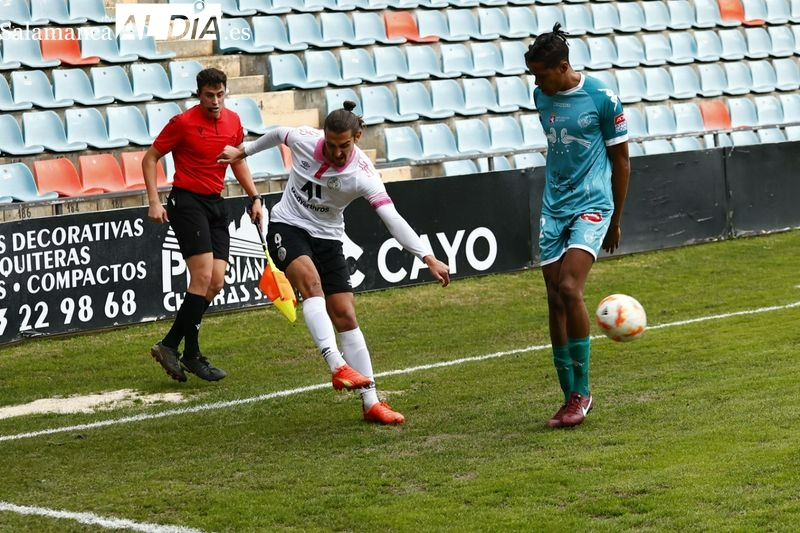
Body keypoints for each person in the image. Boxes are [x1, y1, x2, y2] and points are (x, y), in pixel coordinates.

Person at [216, 102, 450, 424]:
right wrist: (243, 152)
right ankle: (336, 364)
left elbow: (391, 218)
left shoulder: (363, 174)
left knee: (346, 313)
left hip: (329, 238)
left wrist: (426, 257)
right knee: (312, 286)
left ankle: (371, 404)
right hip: (288, 226)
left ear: (358, 136)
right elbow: (278, 134)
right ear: (323, 136)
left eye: (345, 146)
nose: (337, 153)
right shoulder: (305, 139)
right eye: (331, 144)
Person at [524, 24, 630, 428]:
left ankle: (582, 392)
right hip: (554, 207)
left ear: (563, 66)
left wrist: (616, 218)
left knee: (570, 287)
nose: (536, 83)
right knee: (554, 298)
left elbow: (621, 161)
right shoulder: (541, 97)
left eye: (541, 74)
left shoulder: (602, 98)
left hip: (592, 204)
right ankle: (568, 395)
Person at [143, 67, 263, 383]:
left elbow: (237, 160)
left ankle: (170, 345)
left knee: (216, 282)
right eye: (209, 95)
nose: (215, 101)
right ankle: (191, 353)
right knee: (203, 275)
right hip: (187, 202)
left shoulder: (234, 122)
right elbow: (150, 158)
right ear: (199, 94)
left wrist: (254, 197)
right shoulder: (183, 123)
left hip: (215, 203)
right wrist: (154, 201)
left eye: (220, 94)